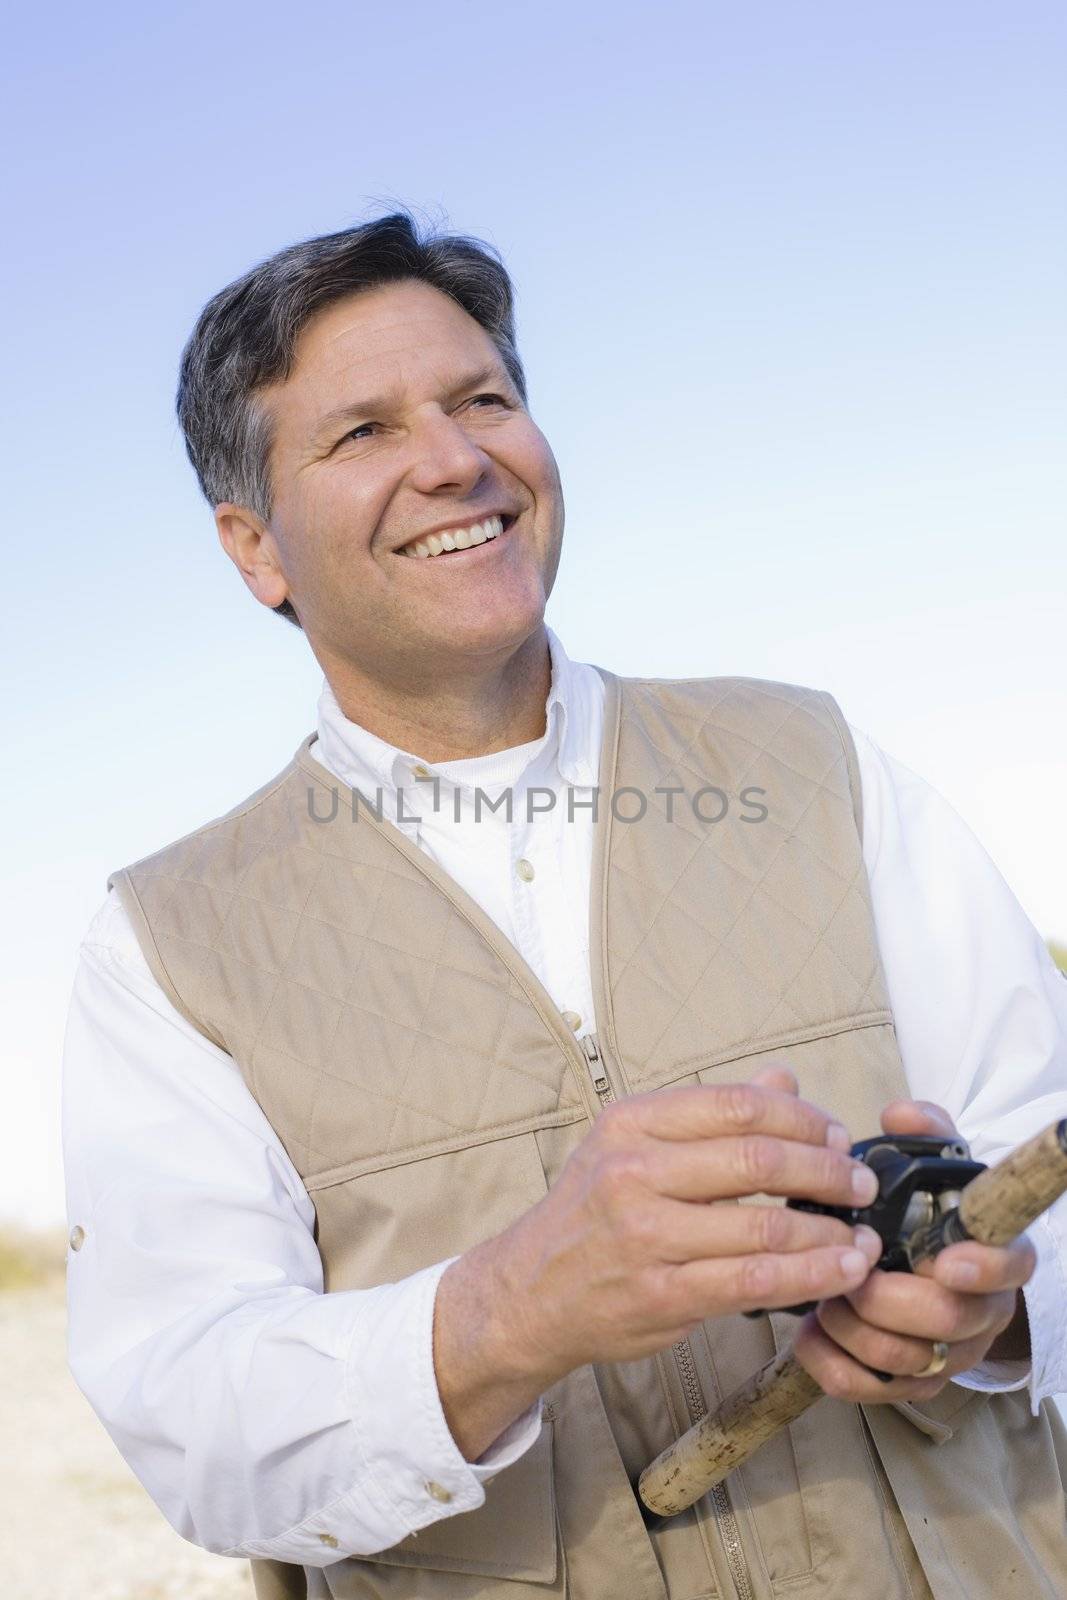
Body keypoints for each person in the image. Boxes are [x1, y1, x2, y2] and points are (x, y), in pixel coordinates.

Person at [62, 212, 1067, 1600]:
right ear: (256, 549)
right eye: (363, 433)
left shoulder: (817, 760)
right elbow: (194, 1424)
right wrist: (500, 1314)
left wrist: (997, 1302)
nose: (456, 458)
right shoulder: (167, 945)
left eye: (486, 399)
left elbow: (1043, 1156)